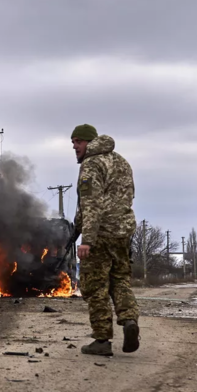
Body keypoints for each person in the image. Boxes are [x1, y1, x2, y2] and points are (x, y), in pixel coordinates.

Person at [71, 124, 140, 356]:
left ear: (90, 142)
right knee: (120, 280)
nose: (74, 145)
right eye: (73, 142)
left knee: (95, 286)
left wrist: (86, 239)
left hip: (100, 235)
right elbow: (127, 196)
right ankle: (129, 320)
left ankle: (102, 340)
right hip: (123, 233)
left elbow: (91, 204)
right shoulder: (121, 162)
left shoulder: (92, 164)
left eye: (78, 141)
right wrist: (76, 227)